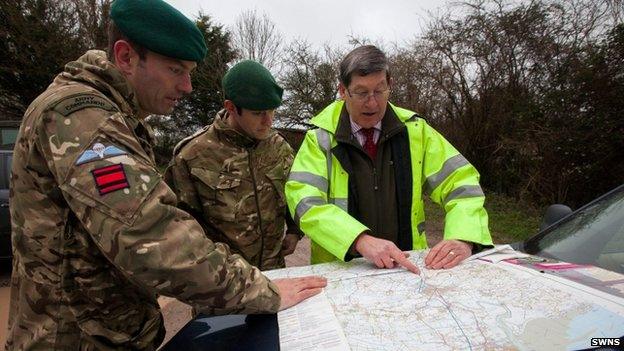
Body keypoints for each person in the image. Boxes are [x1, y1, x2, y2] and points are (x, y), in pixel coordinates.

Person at [6, 0, 325, 349]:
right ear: (126, 57)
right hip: (75, 339)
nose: (188, 86)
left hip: (106, 333)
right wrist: (264, 290)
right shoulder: (81, 119)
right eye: (176, 70)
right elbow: (153, 238)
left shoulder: (114, 117)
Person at [285, 45, 493, 274]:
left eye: (379, 90)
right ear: (343, 91)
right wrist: (359, 240)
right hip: (339, 273)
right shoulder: (320, 138)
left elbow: (461, 184)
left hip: (406, 270)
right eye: (361, 92)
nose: (372, 103)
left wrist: (464, 237)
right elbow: (305, 202)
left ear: (390, 86)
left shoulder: (416, 131)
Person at [165, 60, 303, 271]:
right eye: (258, 113)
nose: (268, 121)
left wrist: (294, 231)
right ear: (231, 107)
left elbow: (295, 192)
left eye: (271, 111)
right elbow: (178, 228)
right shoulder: (193, 155)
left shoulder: (278, 146)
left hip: (274, 278)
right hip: (223, 286)